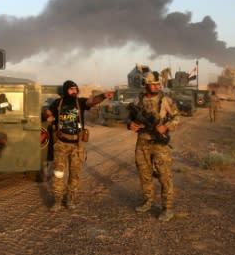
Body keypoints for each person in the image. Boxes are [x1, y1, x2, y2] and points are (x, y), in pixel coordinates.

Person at [44, 80, 114, 212]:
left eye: (76, 89)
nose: (74, 91)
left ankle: (70, 199)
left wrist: (104, 96)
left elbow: (92, 102)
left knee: (74, 174)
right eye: (71, 89)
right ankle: (57, 201)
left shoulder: (80, 102)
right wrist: (48, 115)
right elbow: (47, 112)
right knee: (58, 174)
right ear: (65, 90)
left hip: (77, 145)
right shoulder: (57, 103)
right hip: (61, 144)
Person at [127, 70, 180, 221]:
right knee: (144, 174)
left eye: (158, 84)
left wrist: (166, 126)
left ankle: (167, 209)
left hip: (159, 144)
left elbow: (177, 117)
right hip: (142, 142)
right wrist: (130, 124)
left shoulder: (165, 100)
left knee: (164, 176)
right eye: (153, 84)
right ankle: (148, 201)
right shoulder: (139, 99)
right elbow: (129, 117)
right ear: (146, 85)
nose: (157, 87)